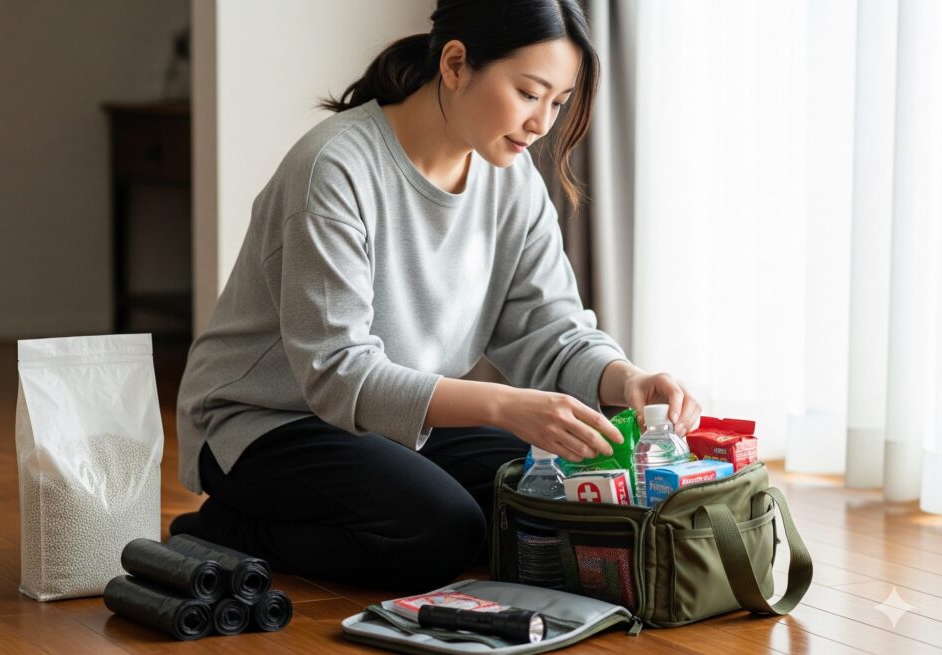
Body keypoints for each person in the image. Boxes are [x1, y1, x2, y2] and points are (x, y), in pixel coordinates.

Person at [173, 0, 700, 592]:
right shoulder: (336, 167)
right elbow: (337, 373)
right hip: (264, 421)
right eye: (529, 93)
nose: (542, 124)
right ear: (455, 64)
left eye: (558, 103)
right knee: (440, 531)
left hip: (395, 420)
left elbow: (550, 329)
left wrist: (623, 378)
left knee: (530, 495)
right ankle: (224, 529)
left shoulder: (513, 180)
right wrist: (506, 405)